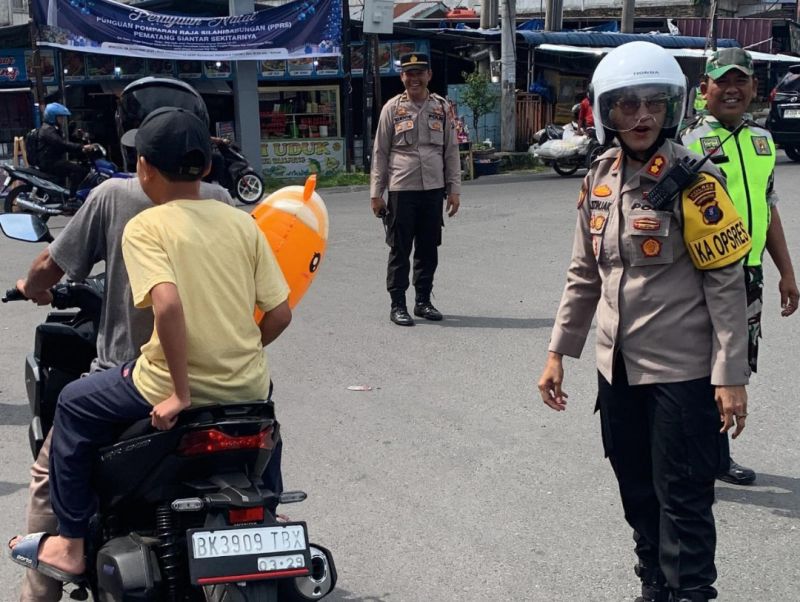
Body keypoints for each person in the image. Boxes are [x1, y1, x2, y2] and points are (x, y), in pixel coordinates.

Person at [10, 107, 292, 582]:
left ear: (143, 166)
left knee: (73, 405)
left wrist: (180, 392)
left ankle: (69, 546)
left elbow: (167, 305)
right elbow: (280, 313)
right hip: (246, 382)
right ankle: (269, 510)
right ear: (206, 166)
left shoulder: (144, 222)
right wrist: (242, 354)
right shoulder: (240, 220)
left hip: (160, 382)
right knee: (261, 417)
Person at [537, 42, 751, 602]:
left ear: (670, 108)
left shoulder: (696, 181)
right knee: (635, 488)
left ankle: (691, 592)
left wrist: (730, 376)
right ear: (606, 111)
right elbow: (584, 274)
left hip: (681, 373)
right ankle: (654, 584)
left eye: (653, 103)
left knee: (683, 497)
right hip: (618, 371)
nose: (641, 116)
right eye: (627, 104)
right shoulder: (598, 178)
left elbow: (725, 284)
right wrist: (558, 353)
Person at [11, 155, 235, 601]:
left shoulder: (114, 196)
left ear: (144, 161)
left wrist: (32, 287)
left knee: (47, 473)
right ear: (206, 164)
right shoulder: (223, 202)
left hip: (135, 377)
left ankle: (58, 564)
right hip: (221, 375)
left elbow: (51, 263)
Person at [681, 48, 799, 486]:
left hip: (748, 274)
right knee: (697, 367)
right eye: (722, 81)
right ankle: (690, 457)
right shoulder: (688, 142)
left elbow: (768, 209)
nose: (732, 90)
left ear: (754, 87)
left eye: (741, 81)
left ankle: (716, 457)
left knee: (733, 365)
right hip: (700, 275)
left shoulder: (762, 141)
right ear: (705, 88)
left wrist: (786, 272)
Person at [370, 52, 461, 326]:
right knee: (400, 249)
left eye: (420, 73)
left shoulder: (442, 108)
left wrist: (454, 189)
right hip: (402, 189)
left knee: (428, 248)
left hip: (433, 189)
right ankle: (398, 304)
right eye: (409, 73)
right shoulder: (392, 109)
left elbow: (451, 150)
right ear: (402, 77)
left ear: (429, 75)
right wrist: (376, 193)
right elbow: (380, 152)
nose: (415, 79)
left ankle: (423, 301)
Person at [35, 103, 94, 194]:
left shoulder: (51, 129)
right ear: (52, 117)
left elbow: (63, 142)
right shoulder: (48, 130)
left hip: (52, 160)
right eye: (60, 117)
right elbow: (62, 144)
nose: (62, 120)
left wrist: (78, 139)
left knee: (75, 167)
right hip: (50, 163)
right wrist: (81, 147)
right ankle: (72, 197)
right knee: (79, 171)